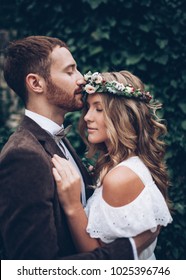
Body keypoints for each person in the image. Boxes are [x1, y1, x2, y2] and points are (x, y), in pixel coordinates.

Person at [0, 36, 158, 260]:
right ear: (36, 83)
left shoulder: (58, 140)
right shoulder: (23, 155)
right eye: (70, 71)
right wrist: (131, 248)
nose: (82, 79)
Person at [52, 70, 173, 260]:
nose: (87, 117)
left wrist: (73, 206)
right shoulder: (120, 164)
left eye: (99, 109)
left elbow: (99, 258)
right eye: (89, 108)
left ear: (123, 116)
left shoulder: (120, 177)